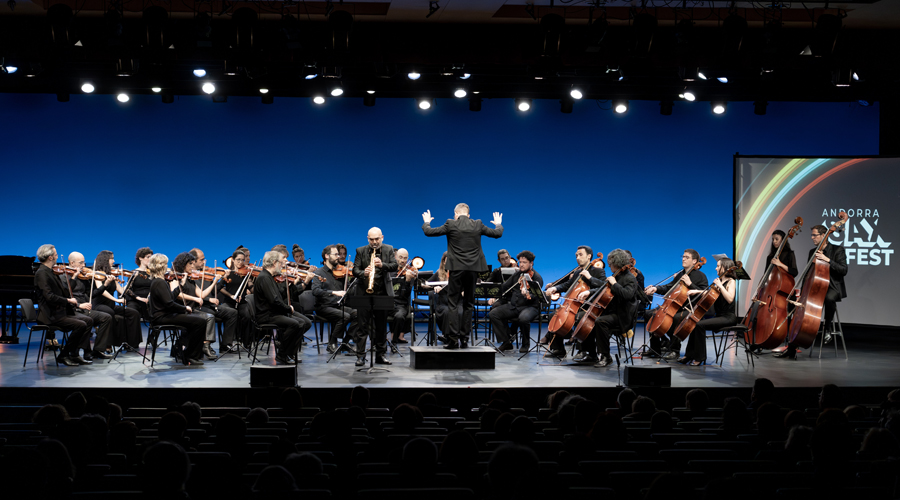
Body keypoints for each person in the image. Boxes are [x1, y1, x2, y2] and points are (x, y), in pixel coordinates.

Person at [422, 203, 503, 349]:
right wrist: (498, 224)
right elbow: (497, 234)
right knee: (469, 303)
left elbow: (429, 232)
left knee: (453, 303)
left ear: (456, 214)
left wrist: (427, 221)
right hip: (473, 269)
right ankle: (464, 339)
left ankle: (453, 339)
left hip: (456, 269)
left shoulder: (451, 224)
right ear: (468, 214)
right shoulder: (477, 224)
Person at [775, 224, 848, 358]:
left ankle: (827, 329)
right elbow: (808, 274)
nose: (812, 237)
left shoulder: (838, 250)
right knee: (798, 309)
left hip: (832, 287)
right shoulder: (812, 252)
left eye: (814, 235)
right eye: (812, 235)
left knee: (829, 299)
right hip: (815, 288)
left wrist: (828, 260)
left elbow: (844, 270)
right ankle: (792, 348)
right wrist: (802, 293)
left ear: (824, 236)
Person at [573, 249, 639, 367]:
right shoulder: (617, 275)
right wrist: (589, 292)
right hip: (612, 311)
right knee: (583, 316)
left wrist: (614, 284)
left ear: (617, 263)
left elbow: (627, 295)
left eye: (611, 263)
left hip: (623, 315)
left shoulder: (630, 278)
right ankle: (590, 354)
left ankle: (606, 356)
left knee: (600, 321)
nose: (608, 265)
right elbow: (604, 288)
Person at [33, 244, 94, 366]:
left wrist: (74, 277)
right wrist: (68, 301)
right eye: (55, 255)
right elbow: (49, 296)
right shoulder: (42, 273)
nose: (57, 257)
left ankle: (74, 354)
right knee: (81, 324)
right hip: (50, 314)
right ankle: (64, 355)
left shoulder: (51, 271)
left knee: (88, 320)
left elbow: (65, 291)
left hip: (59, 312)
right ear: (50, 257)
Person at [543, 245, 607, 358]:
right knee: (553, 315)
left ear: (589, 256)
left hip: (590, 307)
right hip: (575, 305)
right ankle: (558, 349)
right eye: (576, 255)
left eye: (580, 255)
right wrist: (555, 288)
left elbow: (603, 287)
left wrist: (589, 280)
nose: (577, 257)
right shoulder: (577, 273)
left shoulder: (598, 271)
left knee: (580, 317)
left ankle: (586, 352)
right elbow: (567, 285)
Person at [644, 249, 709, 360]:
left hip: (689, 309)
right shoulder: (681, 274)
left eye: (686, 257)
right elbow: (669, 288)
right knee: (649, 314)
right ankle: (655, 348)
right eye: (683, 256)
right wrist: (656, 288)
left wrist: (690, 284)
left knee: (675, 318)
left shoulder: (700, 276)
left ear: (694, 261)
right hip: (674, 306)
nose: (683, 259)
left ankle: (675, 350)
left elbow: (704, 294)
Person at [146, 253, 206, 366]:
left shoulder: (158, 281)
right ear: (161, 266)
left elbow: (171, 297)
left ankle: (185, 352)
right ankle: (189, 354)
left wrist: (181, 286)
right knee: (200, 322)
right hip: (162, 317)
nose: (168, 267)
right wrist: (185, 308)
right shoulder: (160, 282)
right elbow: (169, 304)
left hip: (163, 316)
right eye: (166, 264)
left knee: (196, 321)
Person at [352, 227, 398, 366]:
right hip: (364, 293)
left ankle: (380, 355)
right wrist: (363, 273)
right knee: (362, 326)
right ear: (368, 239)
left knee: (381, 327)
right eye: (371, 239)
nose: (374, 242)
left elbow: (394, 266)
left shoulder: (389, 249)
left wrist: (382, 264)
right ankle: (360, 356)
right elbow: (355, 270)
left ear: (382, 237)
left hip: (382, 293)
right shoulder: (360, 250)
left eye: (377, 239)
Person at [679, 257, 738, 366]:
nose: (716, 268)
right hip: (719, 316)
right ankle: (689, 355)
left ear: (725, 267)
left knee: (699, 325)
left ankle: (699, 358)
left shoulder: (731, 281)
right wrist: (696, 291)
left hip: (728, 317)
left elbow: (730, 298)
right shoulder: (720, 280)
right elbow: (711, 293)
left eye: (718, 266)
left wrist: (720, 286)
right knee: (695, 323)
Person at [253, 250, 306, 364]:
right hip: (267, 315)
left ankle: (287, 353)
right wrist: (288, 309)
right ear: (274, 262)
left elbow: (278, 297)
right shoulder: (264, 278)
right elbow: (274, 301)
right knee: (295, 324)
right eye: (281, 263)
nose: (283, 265)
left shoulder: (269, 277)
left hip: (273, 313)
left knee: (302, 323)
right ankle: (282, 354)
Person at [488, 251, 544, 353]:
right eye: (520, 262)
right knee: (494, 313)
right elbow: (504, 287)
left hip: (530, 307)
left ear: (531, 263)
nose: (521, 264)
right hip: (515, 306)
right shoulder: (517, 274)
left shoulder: (537, 277)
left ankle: (525, 344)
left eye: (524, 262)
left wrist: (527, 294)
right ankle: (506, 342)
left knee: (523, 318)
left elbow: (536, 296)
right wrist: (494, 295)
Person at [63, 252, 114, 360]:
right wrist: (80, 304)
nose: (84, 266)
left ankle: (97, 349)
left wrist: (105, 285)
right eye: (81, 263)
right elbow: (65, 294)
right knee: (88, 319)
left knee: (106, 317)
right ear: (72, 263)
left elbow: (91, 294)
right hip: (73, 309)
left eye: (84, 262)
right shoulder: (64, 276)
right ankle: (82, 351)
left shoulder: (83, 277)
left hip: (85, 308)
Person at [91, 250, 143, 354]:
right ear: (105, 260)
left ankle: (132, 343)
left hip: (110, 305)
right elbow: (102, 291)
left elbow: (120, 289)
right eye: (112, 259)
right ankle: (107, 344)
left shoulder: (112, 273)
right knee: (110, 313)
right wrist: (116, 299)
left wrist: (130, 285)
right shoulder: (97, 273)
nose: (114, 261)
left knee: (133, 313)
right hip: (99, 305)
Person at [190, 248, 239, 354]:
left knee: (232, 313)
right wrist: (209, 299)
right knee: (211, 314)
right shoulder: (191, 275)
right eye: (202, 260)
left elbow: (214, 289)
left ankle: (226, 344)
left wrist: (222, 279)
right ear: (193, 261)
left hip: (210, 305)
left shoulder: (206, 273)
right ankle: (205, 345)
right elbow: (193, 294)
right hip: (199, 305)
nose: (204, 262)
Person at [170, 252, 218, 359]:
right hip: (180, 310)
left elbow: (201, 294)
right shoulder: (175, 277)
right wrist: (194, 298)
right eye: (190, 264)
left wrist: (214, 282)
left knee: (210, 317)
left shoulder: (191, 279)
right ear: (183, 264)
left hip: (191, 310)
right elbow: (176, 294)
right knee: (207, 318)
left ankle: (205, 345)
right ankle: (187, 346)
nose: (193, 266)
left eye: (193, 263)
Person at [313, 245, 359, 354]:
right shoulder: (319, 273)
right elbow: (315, 291)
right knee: (345, 316)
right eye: (336, 254)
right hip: (323, 306)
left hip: (337, 305)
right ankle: (332, 343)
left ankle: (345, 342)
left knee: (359, 314)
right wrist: (333, 292)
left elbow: (348, 291)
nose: (338, 257)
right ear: (327, 256)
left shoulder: (340, 273)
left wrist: (353, 283)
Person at [216, 248, 254, 349]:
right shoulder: (229, 273)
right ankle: (226, 344)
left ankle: (246, 342)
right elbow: (220, 288)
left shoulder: (246, 274)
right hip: (229, 301)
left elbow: (251, 287)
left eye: (242, 260)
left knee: (247, 315)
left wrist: (257, 286)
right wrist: (231, 295)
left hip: (242, 302)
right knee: (230, 313)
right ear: (233, 259)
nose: (241, 262)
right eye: (238, 260)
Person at [391, 248, 418, 344]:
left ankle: (394, 341)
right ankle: (379, 341)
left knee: (399, 316)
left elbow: (406, 295)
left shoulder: (409, 272)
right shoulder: (389, 271)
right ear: (395, 257)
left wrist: (407, 281)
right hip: (388, 303)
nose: (403, 261)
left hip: (401, 304)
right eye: (400, 257)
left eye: (405, 258)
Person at [124, 247, 153, 322]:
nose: (150, 259)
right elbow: (128, 289)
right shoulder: (134, 272)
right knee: (132, 310)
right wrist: (139, 298)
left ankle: (154, 332)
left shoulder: (152, 273)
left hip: (149, 300)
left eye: (151, 257)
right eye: (148, 257)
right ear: (140, 258)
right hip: (135, 300)